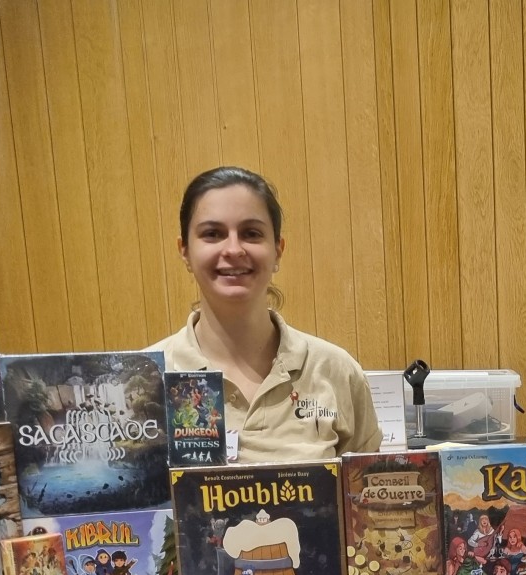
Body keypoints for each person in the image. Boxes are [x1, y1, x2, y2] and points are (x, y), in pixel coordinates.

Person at [149, 167, 380, 462]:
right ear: (185, 251)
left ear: (278, 250)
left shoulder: (336, 370)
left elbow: (364, 497)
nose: (233, 249)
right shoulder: (147, 376)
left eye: (251, 234)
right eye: (212, 234)